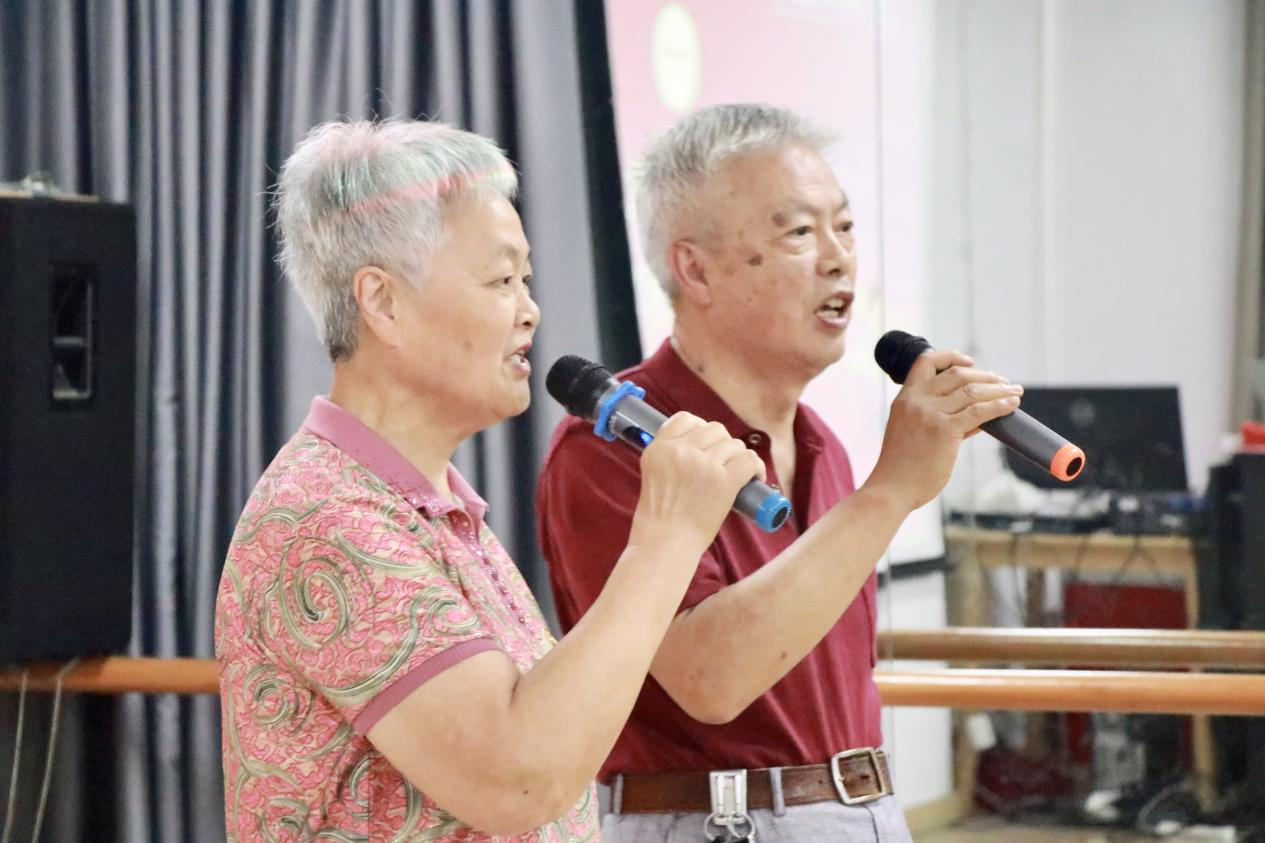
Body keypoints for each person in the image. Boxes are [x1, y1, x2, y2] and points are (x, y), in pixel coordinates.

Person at [214, 118, 766, 842]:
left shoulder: (424, 505)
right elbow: (518, 779)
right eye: (502, 280)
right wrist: (667, 538)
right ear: (382, 301)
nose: (529, 310)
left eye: (524, 280)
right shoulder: (328, 518)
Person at [537, 103, 1022, 842]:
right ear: (694, 269)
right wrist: (891, 490)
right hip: (716, 821)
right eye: (798, 232)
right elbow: (711, 679)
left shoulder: (822, 443)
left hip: (862, 812)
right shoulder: (615, 444)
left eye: (844, 227)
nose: (838, 258)